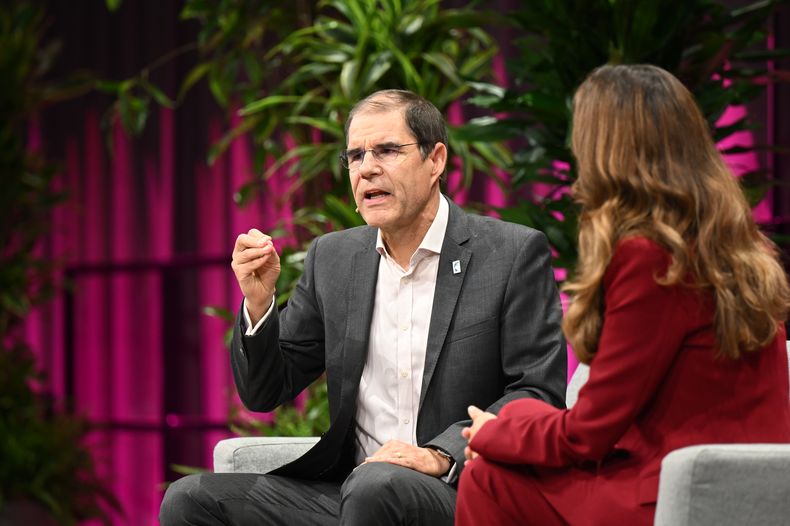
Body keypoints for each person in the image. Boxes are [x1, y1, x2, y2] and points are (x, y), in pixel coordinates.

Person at [159, 89, 567, 525]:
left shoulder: (510, 253)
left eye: (388, 150)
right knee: (190, 499)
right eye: (355, 156)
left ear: (436, 160)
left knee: (377, 488)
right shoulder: (334, 258)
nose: (367, 168)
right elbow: (265, 391)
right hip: (353, 491)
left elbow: (536, 392)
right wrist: (259, 304)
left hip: (460, 490)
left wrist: (439, 453)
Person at [455, 64, 790, 525]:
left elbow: (587, 434)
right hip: (751, 491)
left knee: (489, 475)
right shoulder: (733, 244)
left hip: (672, 492)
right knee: (525, 417)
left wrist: (494, 433)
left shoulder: (651, 257)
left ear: (603, 150)